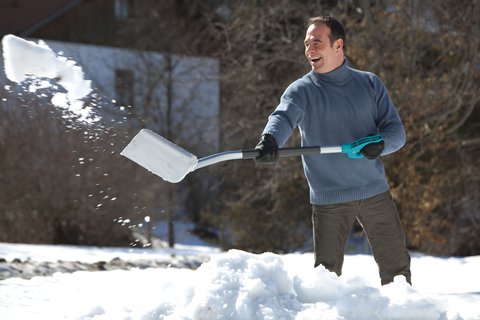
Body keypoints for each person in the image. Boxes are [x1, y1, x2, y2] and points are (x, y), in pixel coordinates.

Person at [255, 16, 411, 285]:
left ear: (338, 45)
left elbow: (397, 133)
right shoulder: (301, 90)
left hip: (374, 190)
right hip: (329, 197)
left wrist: (381, 144)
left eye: (317, 42)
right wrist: (270, 139)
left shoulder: (370, 84)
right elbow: (282, 117)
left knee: (397, 270)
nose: (309, 50)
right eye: (306, 44)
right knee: (325, 278)